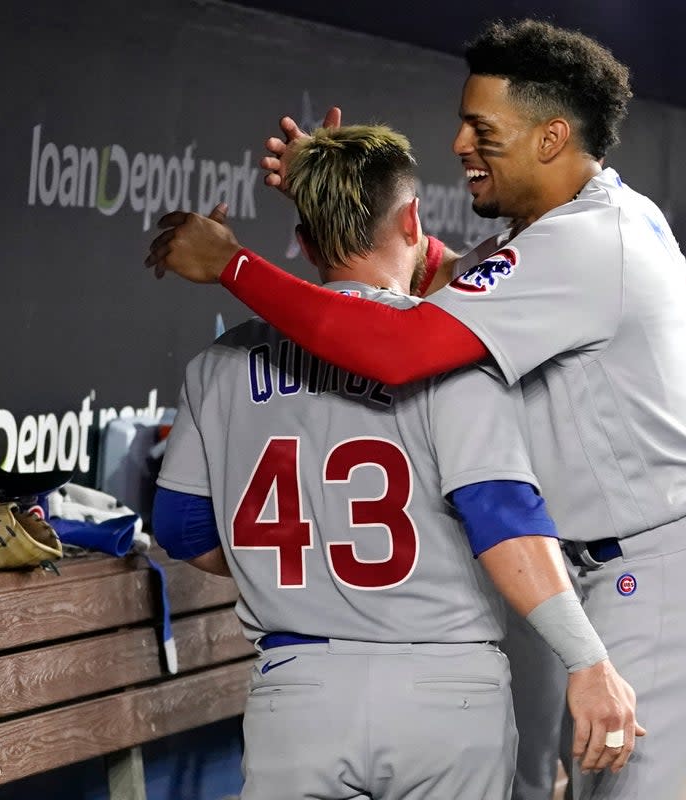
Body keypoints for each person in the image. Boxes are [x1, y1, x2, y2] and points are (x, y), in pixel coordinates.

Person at [146, 18, 686, 800]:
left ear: (552, 137)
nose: (458, 143)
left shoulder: (587, 240)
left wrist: (235, 266)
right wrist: (353, 203)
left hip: (665, 577)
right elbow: (450, 281)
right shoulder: (573, 226)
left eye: (483, 129)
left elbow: (400, 344)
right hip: (645, 573)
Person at [152, 124, 643, 800]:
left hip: (298, 689)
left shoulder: (221, 364)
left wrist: (295, 556)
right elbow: (502, 517)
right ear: (413, 218)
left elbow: (183, 532)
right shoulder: (451, 355)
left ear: (303, 242)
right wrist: (586, 658)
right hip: (445, 688)